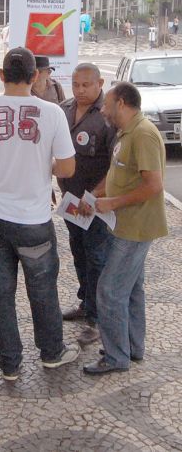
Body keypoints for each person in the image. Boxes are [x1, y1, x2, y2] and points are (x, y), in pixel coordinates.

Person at [0, 47, 79, 381]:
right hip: (34, 219)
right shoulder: (52, 114)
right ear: (35, 76)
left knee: (0, 293)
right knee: (42, 290)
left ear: (0, 75)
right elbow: (67, 166)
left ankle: (9, 363)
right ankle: (52, 353)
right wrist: (43, 164)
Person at [83, 82, 167, 375]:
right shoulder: (126, 133)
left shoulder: (143, 134)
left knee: (109, 291)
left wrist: (114, 202)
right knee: (131, 289)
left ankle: (116, 357)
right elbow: (118, 172)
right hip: (124, 225)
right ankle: (132, 347)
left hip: (135, 227)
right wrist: (95, 196)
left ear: (121, 103)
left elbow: (154, 185)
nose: (103, 110)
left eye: (107, 104)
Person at [57, 64, 116, 346]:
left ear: (99, 83)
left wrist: (92, 197)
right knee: (79, 254)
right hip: (70, 203)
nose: (79, 90)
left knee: (97, 259)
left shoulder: (108, 117)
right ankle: (84, 304)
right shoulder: (65, 109)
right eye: (75, 84)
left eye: (85, 85)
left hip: (94, 206)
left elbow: (116, 168)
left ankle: (96, 318)